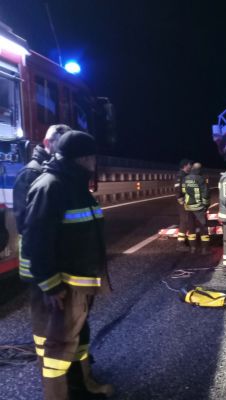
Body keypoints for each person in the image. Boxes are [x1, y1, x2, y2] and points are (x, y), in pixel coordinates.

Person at [21, 131, 113, 400]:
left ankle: (84, 387)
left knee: (79, 341)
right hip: (62, 287)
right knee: (57, 352)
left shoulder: (75, 185)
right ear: (83, 158)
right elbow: (36, 241)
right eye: (93, 156)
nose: (95, 162)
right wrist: (50, 286)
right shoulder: (51, 186)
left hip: (78, 285)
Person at [13, 124, 71, 236]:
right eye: (61, 144)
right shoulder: (30, 173)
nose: (65, 150)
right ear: (47, 143)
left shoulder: (62, 170)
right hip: (36, 248)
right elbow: (23, 222)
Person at [183, 162, 210, 254]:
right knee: (203, 229)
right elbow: (205, 194)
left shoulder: (185, 178)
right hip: (199, 208)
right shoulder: (201, 179)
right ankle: (204, 249)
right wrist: (206, 205)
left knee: (191, 229)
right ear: (199, 169)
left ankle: (193, 248)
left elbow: (183, 191)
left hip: (188, 208)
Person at [175, 159, 193, 251]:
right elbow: (178, 189)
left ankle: (185, 242)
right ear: (185, 165)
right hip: (184, 203)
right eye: (190, 164)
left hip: (188, 202)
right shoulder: (180, 175)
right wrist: (181, 201)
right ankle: (180, 244)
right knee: (184, 222)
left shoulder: (186, 175)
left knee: (187, 222)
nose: (191, 166)